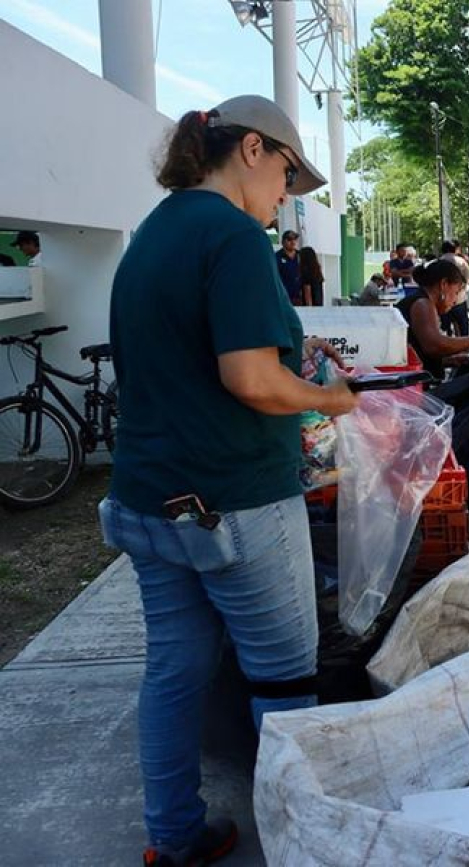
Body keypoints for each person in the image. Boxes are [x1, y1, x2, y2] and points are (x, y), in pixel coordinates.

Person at [100, 94, 359, 866]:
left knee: (174, 670)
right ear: (252, 149)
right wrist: (328, 397)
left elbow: (189, 360)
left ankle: (174, 835)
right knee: (285, 686)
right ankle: (303, 842)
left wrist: (300, 370)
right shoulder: (235, 237)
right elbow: (249, 377)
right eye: (285, 173)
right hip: (232, 504)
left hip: (148, 500)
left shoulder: (153, 234)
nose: (285, 196)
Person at [396, 259, 469, 379]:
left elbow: (420, 353)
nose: (456, 299)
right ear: (444, 284)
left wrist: (448, 361)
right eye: (456, 292)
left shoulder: (423, 302)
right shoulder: (422, 304)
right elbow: (434, 345)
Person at [438, 239, 469, 337]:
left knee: (444, 327)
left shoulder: (438, 262)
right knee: (462, 327)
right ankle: (464, 347)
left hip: (443, 300)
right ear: (455, 249)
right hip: (459, 299)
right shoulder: (461, 261)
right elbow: (468, 278)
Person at [275, 229, 302, 305]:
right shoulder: (277, 257)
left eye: (295, 239)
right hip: (284, 297)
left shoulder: (301, 255)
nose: (293, 242)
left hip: (300, 297)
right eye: (289, 239)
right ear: (283, 242)